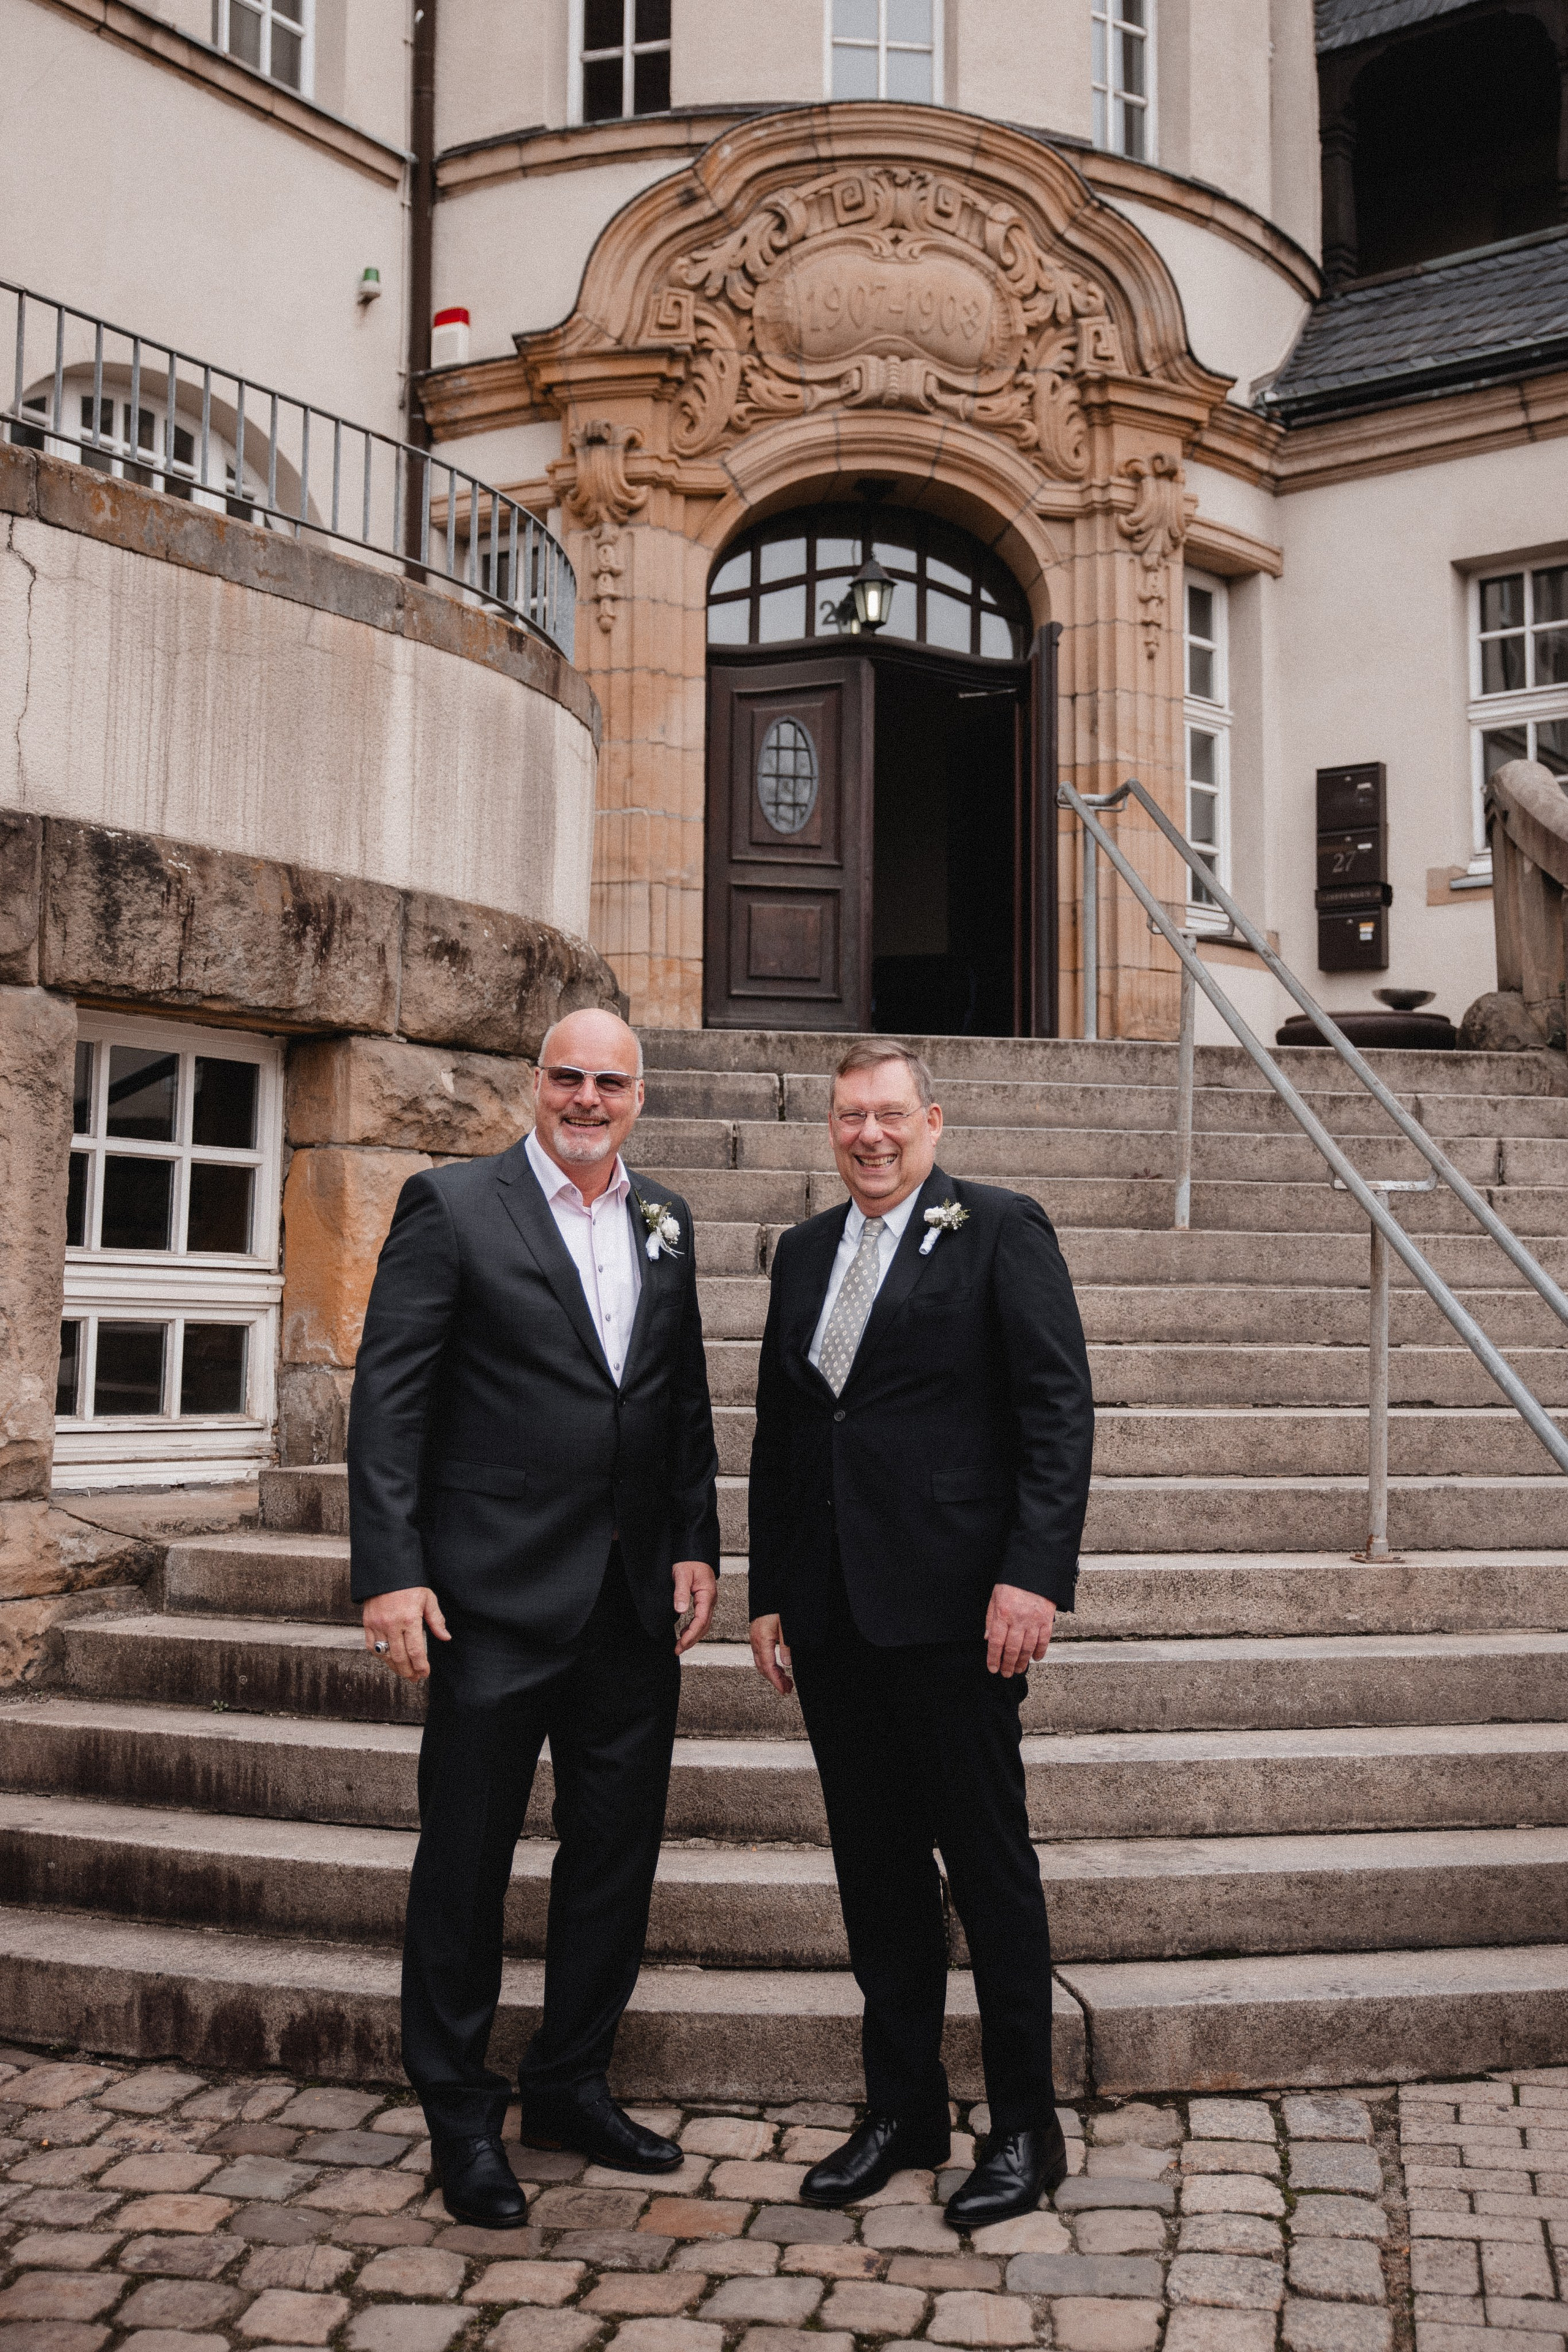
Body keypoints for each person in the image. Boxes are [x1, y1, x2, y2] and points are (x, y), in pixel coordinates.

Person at [348, 1008, 720, 2230]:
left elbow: (677, 1405)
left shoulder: (664, 1220)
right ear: (533, 1083)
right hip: (488, 1603)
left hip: (626, 1603)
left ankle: (569, 2081)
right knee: (465, 1864)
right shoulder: (451, 1209)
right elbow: (390, 1406)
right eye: (567, 1076)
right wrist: (390, 1572)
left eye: (609, 1081)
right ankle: (460, 2113)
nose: (586, 1097)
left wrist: (696, 1544)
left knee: (613, 1856)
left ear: (638, 1096)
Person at [747, 1038, 1095, 2226]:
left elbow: (1055, 1410)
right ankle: (901, 2111)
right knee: (876, 1877)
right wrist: (770, 1592)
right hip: (837, 1619)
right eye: (849, 1117)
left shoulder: (999, 1228)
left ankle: (1024, 2131)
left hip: (959, 1617)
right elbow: (787, 1435)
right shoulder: (801, 1252)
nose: (868, 1136)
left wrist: (1029, 1576)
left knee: (989, 1877)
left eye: (889, 1116)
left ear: (931, 1123)